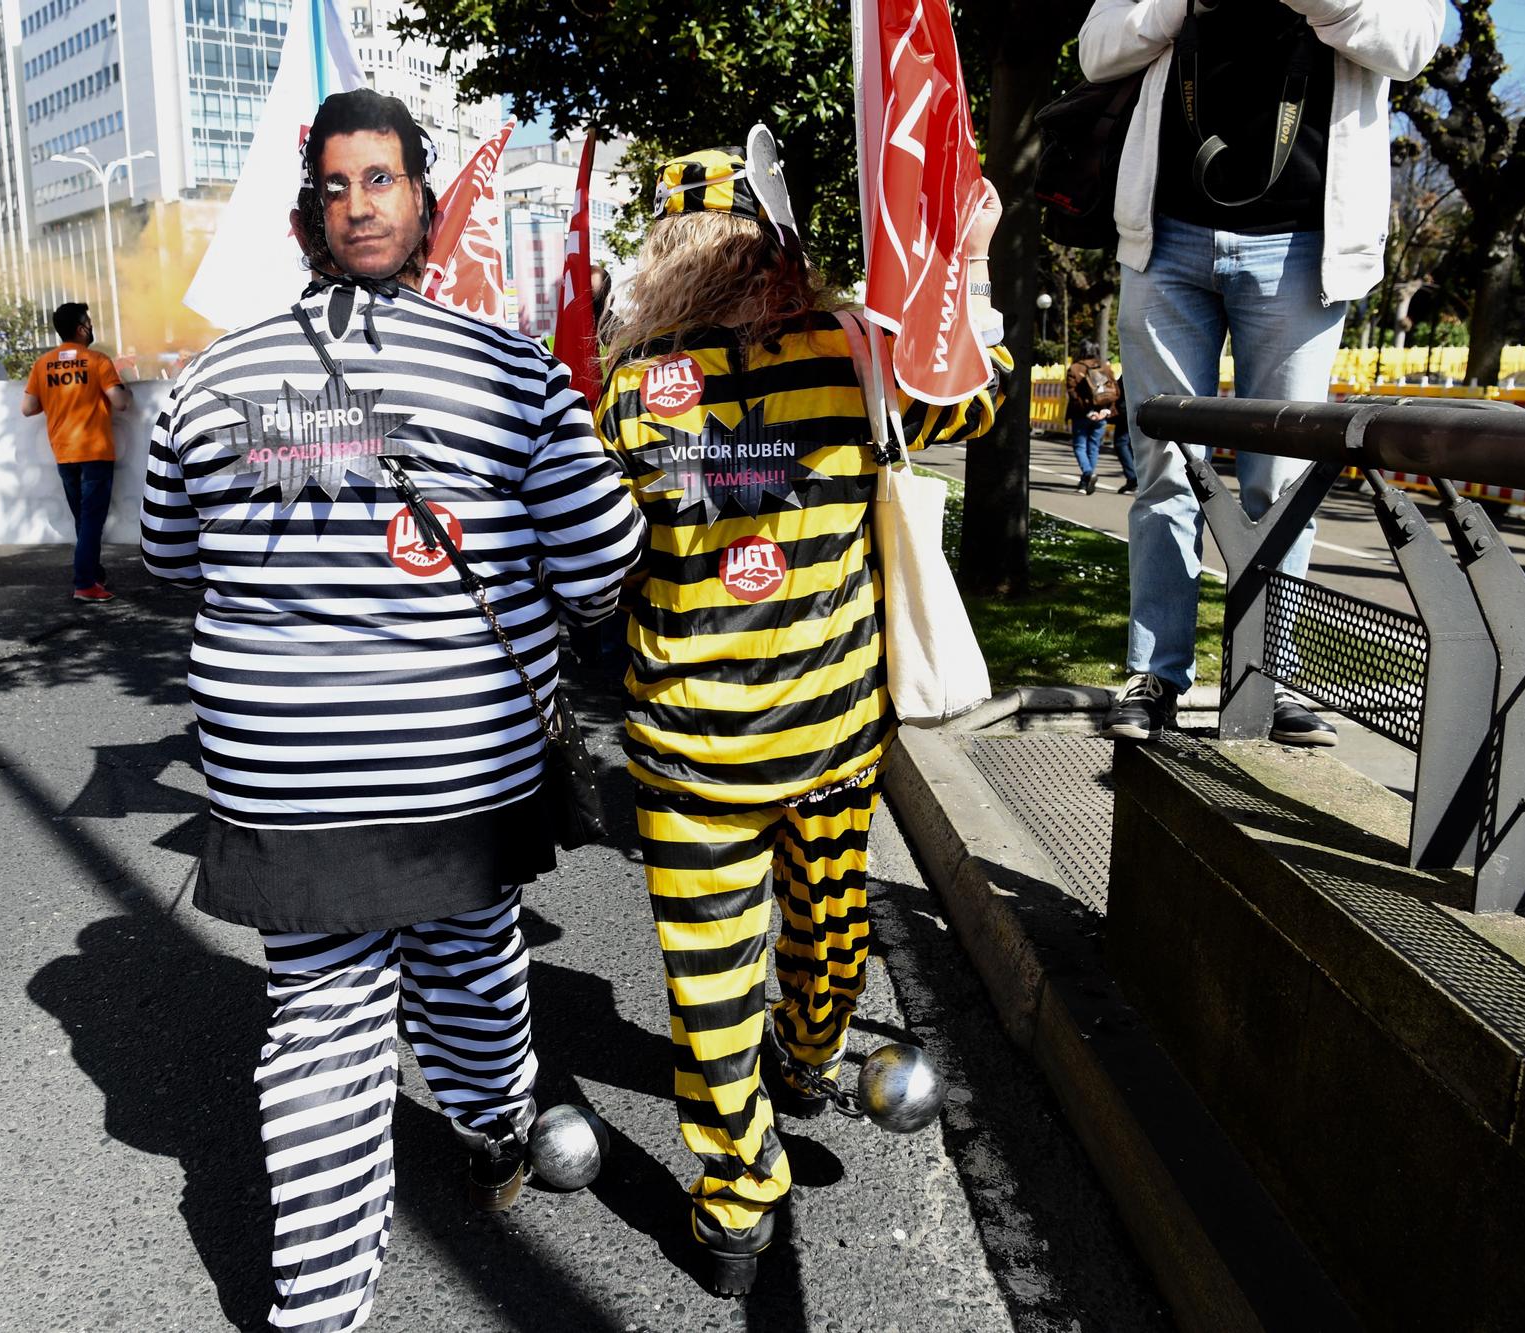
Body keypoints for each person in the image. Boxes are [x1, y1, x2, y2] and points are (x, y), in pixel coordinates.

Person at [140, 88, 643, 1332]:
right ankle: (491, 1134)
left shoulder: (209, 383)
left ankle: (318, 1309)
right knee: (471, 953)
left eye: (375, 178)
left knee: (320, 1021)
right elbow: (595, 570)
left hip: (283, 775)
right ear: (325, 208)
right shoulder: (510, 368)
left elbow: (172, 562)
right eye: (341, 182)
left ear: (413, 195)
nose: (359, 201)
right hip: (456, 766)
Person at [595, 143, 1008, 1295]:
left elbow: (589, 560)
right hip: (809, 746)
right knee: (806, 947)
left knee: (717, 984)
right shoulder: (849, 357)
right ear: (778, 243)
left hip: (699, 752)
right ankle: (780, 1118)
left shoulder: (633, 390)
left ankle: (745, 1173)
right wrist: (965, 266)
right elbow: (977, 392)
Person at [1083, 0, 1444, 745]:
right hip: (1165, 237)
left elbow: (1412, 43)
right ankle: (1156, 676)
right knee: (1163, 470)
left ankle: (1268, 681)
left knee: (1278, 484)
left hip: (1304, 247)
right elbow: (1097, 49)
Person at [22, 302, 130, 602]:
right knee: (92, 522)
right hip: (95, 452)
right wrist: (126, 392)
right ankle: (84, 583)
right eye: (90, 322)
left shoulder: (43, 364)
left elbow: (28, 408)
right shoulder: (97, 360)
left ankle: (93, 572)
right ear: (82, 327)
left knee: (83, 521)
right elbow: (119, 402)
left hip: (64, 453)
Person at [1065, 341, 1117, 493]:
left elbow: (1073, 394)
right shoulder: (1105, 367)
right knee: (1093, 447)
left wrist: (1088, 412)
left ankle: (1088, 474)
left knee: (1080, 446)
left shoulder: (1075, 368)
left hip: (1082, 414)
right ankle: (1085, 481)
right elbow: (1114, 391)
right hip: (1101, 414)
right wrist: (1105, 411)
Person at [1109, 367, 1139, 494]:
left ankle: (1133, 478)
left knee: (1121, 442)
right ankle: (1137, 478)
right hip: (1142, 409)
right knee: (1132, 444)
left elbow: (1120, 388)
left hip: (1126, 410)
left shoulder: (1133, 365)